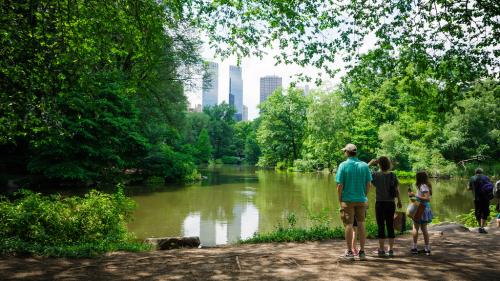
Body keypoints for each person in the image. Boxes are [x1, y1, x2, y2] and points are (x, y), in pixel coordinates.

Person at [336, 143, 372, 260]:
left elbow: (340, 185)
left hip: (347, 200)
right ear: (356, 153)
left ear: (347, 152)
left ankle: (350, 253)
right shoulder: (364, 166)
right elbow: (369, 184)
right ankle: (362, 252)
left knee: (349, 225)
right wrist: (364, 195)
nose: (344, 153)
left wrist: (339, 199)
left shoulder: (343, 165)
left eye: (344, 152)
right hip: (361, 199)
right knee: (361, 224)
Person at [368, 156, 402, 257]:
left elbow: (365, 173)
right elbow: (396, 189)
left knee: (381, 226)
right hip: (390, 203)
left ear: (379, 164)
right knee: (390, 225)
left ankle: (381, 249)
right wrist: (399, 201)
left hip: (379, 203)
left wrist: (370, 163)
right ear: (388, 164)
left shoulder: (375, 175)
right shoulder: (393, 175)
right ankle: (391, 250)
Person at [408, 171, 433, 256]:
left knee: (416, 227)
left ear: (418, 178)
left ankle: (415, 247)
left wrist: (414, 194)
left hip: (421, 209)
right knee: (423, 228)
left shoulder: (423, 186)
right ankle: (426, 248)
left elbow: (427, 198)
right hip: (423, 208)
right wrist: (413, 196)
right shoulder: (423, 185)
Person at [468, 168, 492, 233]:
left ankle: (479, 227)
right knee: (485, 212)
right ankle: (482, 227)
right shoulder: (486, 178)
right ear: (482, 172)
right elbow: (490, 186)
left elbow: (468, 188)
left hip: (476, 198)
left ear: (475, 172)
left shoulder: (472, 178)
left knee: (478, 212)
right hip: (485, 198)